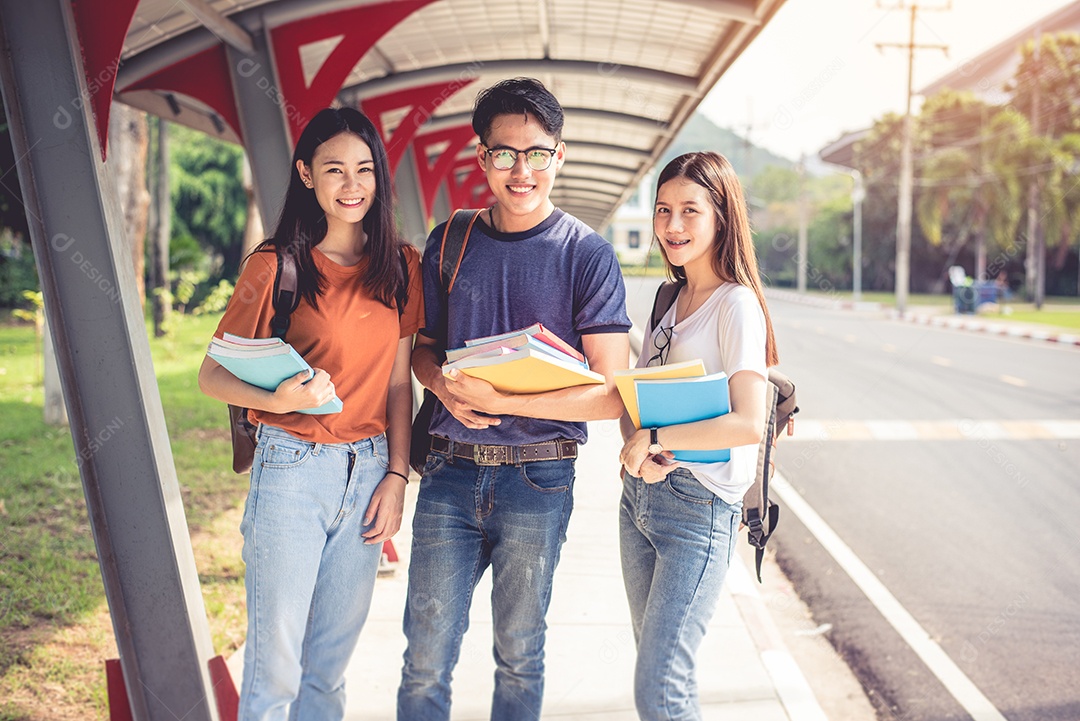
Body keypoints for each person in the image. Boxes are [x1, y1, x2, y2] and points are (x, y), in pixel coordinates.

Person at [399, 77, 632, 721]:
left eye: (536, 153)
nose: (520, 170)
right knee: (424, 658)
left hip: (540, 477)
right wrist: (442, 383)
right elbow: (423, 348)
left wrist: (504, 397)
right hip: (448, 470)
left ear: (560, 155)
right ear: (482, 160)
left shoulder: (587, 254)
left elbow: (611, 394)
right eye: (504, 153)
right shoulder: (450, 240)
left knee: (519, 653)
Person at [197, 107, 422, 721]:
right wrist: (278, 400)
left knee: (327, 672)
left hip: (371, 472)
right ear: (306, 175)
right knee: (276, 669)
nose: (352, 186)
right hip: (291, 470)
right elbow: (212, 374)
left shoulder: (401, 266)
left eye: (365, 170)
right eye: (335, 170)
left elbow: (400, 383)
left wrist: (398, 476)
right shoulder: (272, 267)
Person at [617, 151, 779, 721]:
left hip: (699, 508)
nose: (673, 226)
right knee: (656, 673)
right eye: (663, 210)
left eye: (690, 210)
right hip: (640, 500)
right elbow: (640, 402)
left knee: (661, 685)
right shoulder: (669, 298)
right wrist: (637, 442)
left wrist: (655, 433)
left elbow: (747, 423)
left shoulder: (736, 306)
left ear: (722, 218)